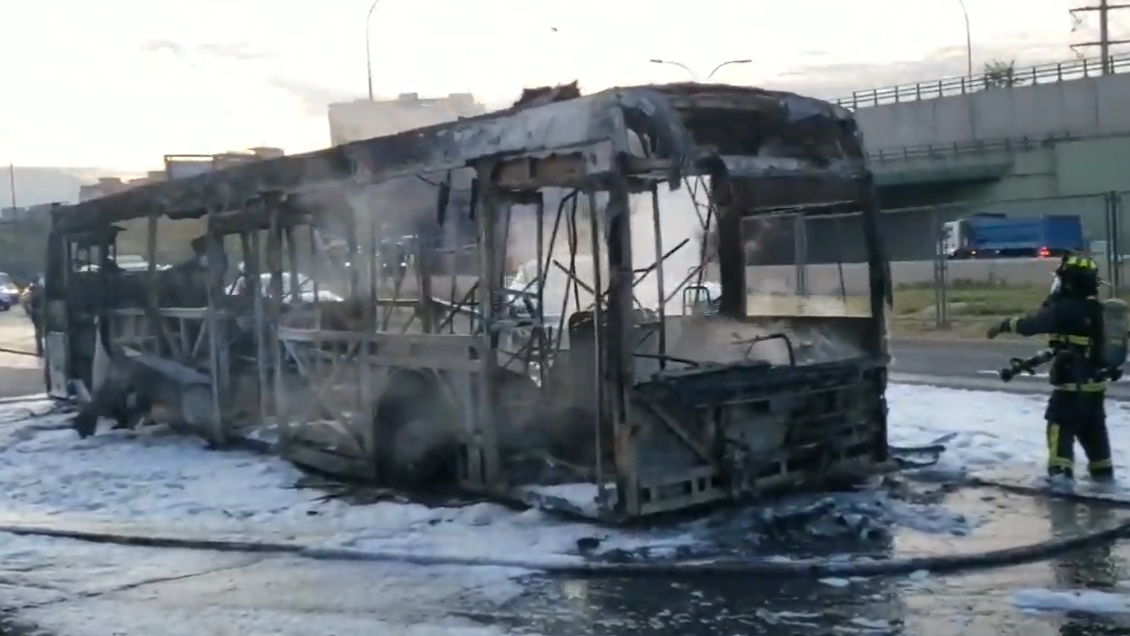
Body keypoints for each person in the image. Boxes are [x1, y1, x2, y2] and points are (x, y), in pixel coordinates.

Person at [986, 253, 1114, 483]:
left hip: (1069, 393)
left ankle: (1060, 490)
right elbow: (1063, 348)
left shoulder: (1064, 309)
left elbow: (1030, 325)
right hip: (1095, 393)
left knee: (1059, 441)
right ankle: (1105, 484)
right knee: (1097, 446)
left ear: (1068, 281)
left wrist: (1003, 325)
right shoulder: (1098, 309)